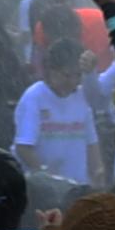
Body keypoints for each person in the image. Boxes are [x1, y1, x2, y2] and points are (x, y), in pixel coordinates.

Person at [12, 32, 107, 190]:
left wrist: (98, 173)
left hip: (78, 186)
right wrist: (47, 177)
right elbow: (24, 147)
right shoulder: (34, 97)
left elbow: (91, 143)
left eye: (78, 76)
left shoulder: (82, 97)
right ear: (51, 71)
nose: (73, 82)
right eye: (67, 75)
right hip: (42, 189)